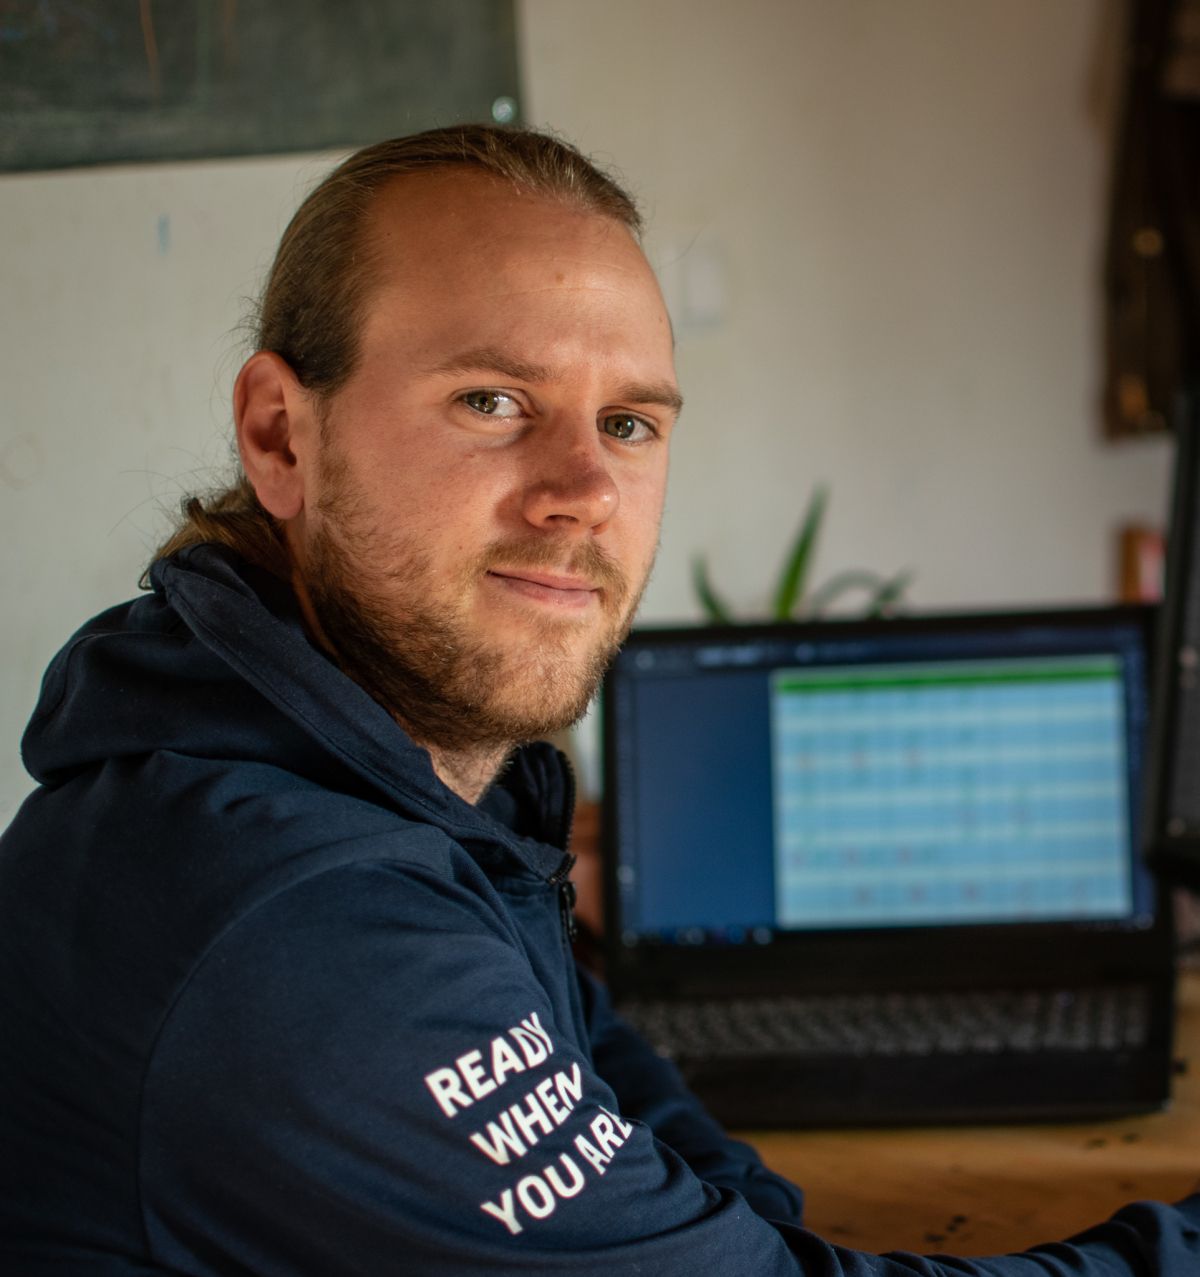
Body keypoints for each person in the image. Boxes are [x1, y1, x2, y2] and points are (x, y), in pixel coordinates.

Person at [0, 124, 1196, 1275]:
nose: (585, 489)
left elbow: (603, 1060)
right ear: (281, 436)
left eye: (627, 423)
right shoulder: (301, 928)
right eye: (492, 401)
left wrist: (733, 1232)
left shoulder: (392, 768)